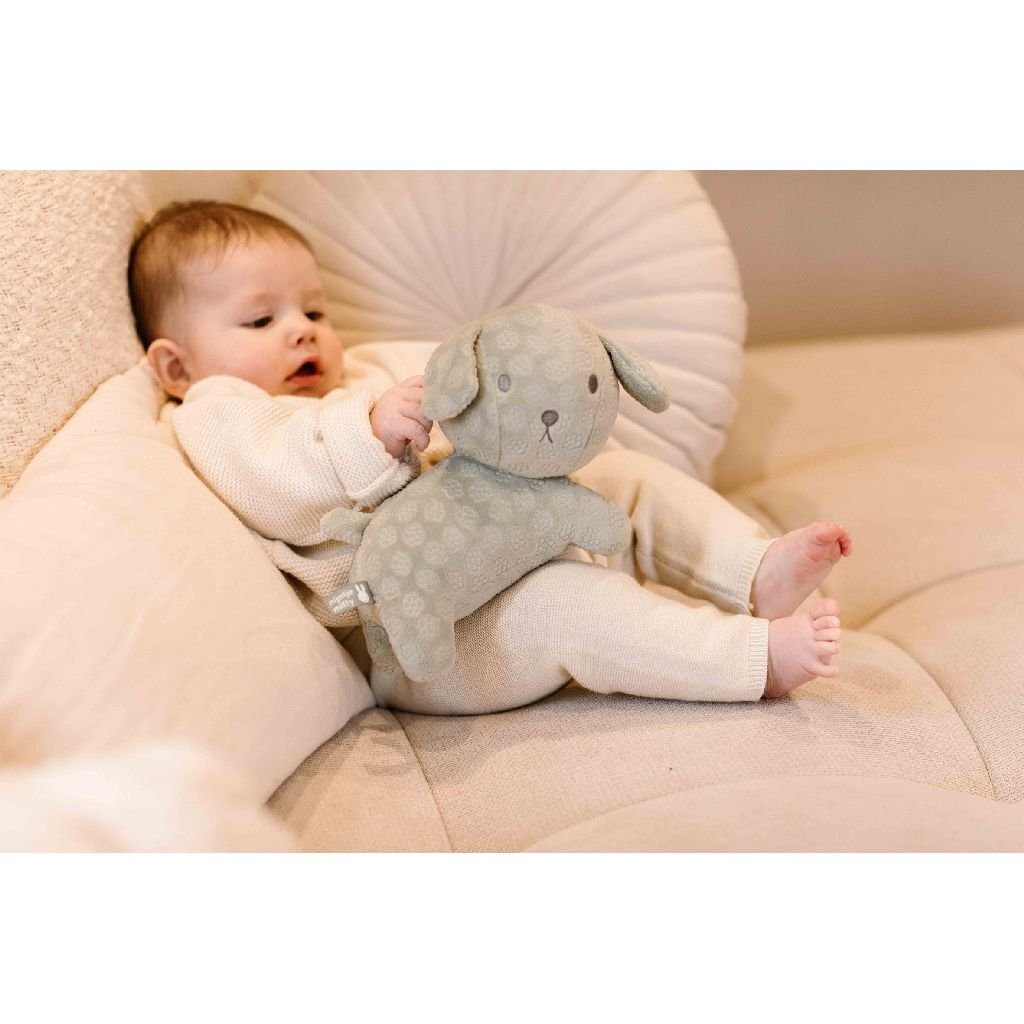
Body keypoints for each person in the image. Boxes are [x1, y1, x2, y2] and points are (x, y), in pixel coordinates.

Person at [129, 200, 852, 715]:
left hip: (513, 536)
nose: (302, 332)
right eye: (261, 319)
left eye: (314, 310)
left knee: (624, 479)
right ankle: (752, 660)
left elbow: (461, 382)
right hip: (425, 641)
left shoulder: (366, 370)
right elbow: (279, 483)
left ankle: (752, 571)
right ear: (176, 366)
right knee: (570, 605)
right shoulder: (219, 412)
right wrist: (370, 430)